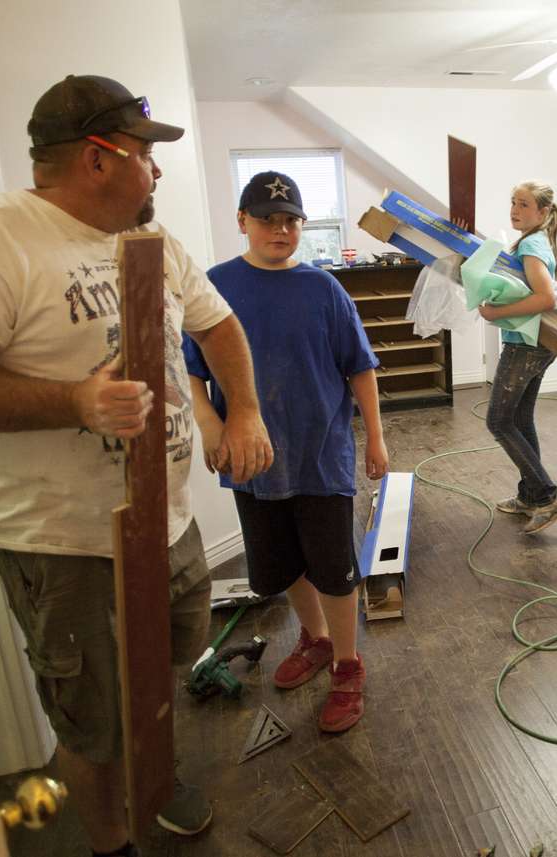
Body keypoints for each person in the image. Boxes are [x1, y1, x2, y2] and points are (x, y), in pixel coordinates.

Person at [0, 75, 272, 856]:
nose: (157, 171)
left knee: (162, 668)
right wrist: (74, 401)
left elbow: (219, 324)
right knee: (90, 713)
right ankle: (109, 841)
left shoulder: (153, 244)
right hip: (59, 542)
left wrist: (244, 409)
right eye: (145, 155)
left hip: (165, 519)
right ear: (97, 159)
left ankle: (155, 786)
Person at [183, 171, 387, 734]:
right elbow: (193, 370)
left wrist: (374, 434)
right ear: (242, 221)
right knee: (283, 564)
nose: (281, 229)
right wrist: (208, 424)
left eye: (291, 220)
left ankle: (347, 664)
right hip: (255, 462)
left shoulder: (324, 290)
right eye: (268, 219)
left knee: (334, 569)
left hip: (321, 454)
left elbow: (360, 366)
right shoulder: (215, 286)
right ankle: (315, 639)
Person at [479, 181, 557, 535]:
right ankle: (531, 496)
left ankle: (548, 496)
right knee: (519, 419)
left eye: (523, 204)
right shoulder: (534, 241)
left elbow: (545, 298)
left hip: (525, 345)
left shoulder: (532, 244)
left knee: (498, 422)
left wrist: (495, 315)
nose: (514, 210)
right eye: (513, 202)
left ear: (543, 212)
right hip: (535, 343)